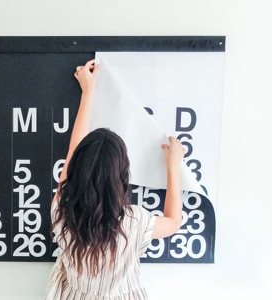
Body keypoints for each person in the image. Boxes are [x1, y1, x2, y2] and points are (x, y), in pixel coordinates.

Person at [46, 59, 184, 299]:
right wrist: (173, 166)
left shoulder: (62, 212)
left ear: (78, 169)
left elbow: (73, 150)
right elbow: (173, 221)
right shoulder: (133, 221)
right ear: (121, 177)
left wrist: (88, 92)